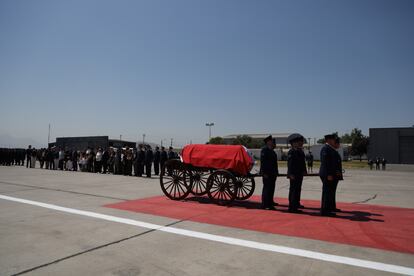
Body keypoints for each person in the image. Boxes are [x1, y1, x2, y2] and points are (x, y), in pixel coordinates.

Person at [319, 133, 342, 216]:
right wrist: (328, 174)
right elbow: (326, 163)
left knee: (331, 192)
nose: (334, 141)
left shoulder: (331, 149)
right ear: (328, 140)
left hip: (332, 174)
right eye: (333, 139)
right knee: (326, 192)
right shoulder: (326, 149)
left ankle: (331, 208)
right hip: (327, 174)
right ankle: (325, 211)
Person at [287, 135, 307, 213]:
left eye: (297, 142)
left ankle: (296, 204)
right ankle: (292, 207)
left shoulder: (298, 151)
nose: (297, 143)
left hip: (299, 174)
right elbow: (290, 164)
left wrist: (304, 170)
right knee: (293, 190)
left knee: (297, 189)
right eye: (295, 142)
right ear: (292, 144)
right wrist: (290, 174)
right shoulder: (291, 151)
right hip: (294, 174)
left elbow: (302, 163)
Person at [260, 135, 279, 210]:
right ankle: (265, 204)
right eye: (271, 141)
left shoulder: (272, 151)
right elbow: (263, 163)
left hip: (272, 173)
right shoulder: (264, 150)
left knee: (271, 188)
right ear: (267, 142)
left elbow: (275, 163)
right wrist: (264, 173)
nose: (272, 142)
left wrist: (276, 172)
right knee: (266, 188)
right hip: (267, 173)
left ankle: (270, 202)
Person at [331, 137, 344, 212]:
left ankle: (333, 207)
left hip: (336, 174)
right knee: (330, 192)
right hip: (333, 175)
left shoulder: (335, 151)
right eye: (338, 143)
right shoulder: (332, 151)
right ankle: (330, 208)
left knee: (333, 192)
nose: (339, 145)